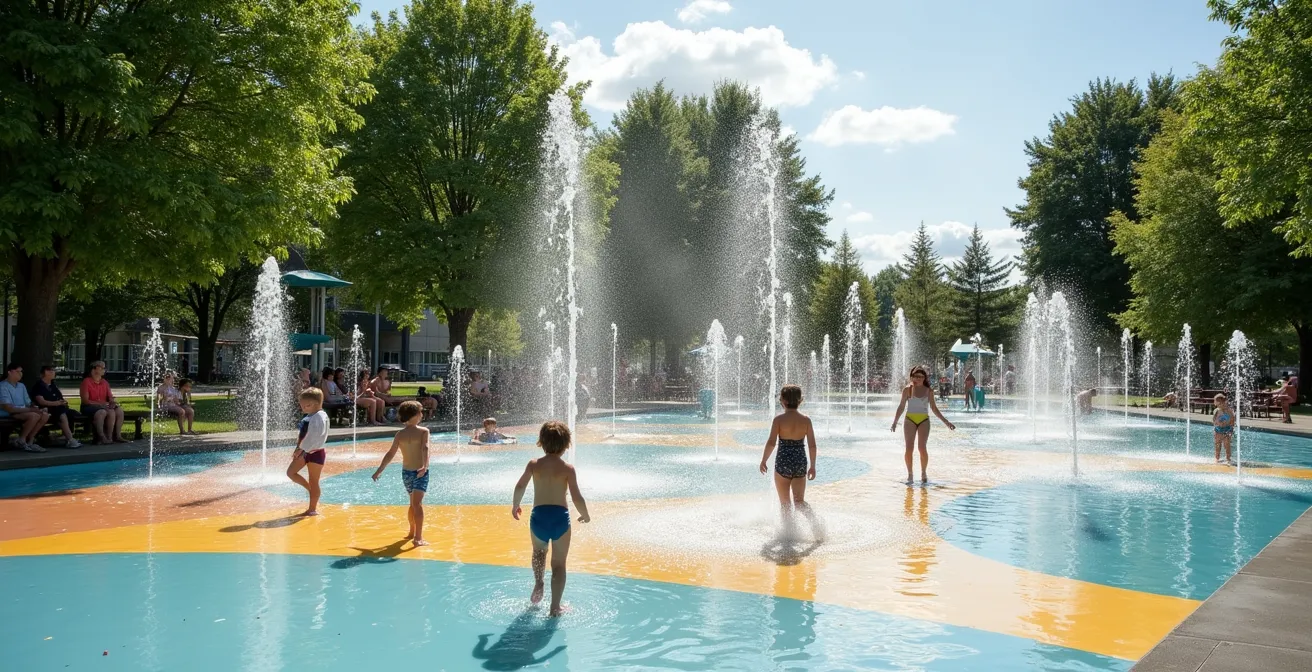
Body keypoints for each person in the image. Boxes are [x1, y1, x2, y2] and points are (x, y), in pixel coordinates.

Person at [511, 421, 591, 617]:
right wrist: (585, 514)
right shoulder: (568, 469)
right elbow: (576, 497)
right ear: (566, 444)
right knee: (559, 564)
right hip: (560, 519)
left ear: (541, 442)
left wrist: (515, 505)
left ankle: (539, 581)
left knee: (538, 553)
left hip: (539, 517)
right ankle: (555, 607)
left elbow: (520, 486)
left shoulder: (534, 464)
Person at [758, 384, 822, 537]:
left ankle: (789, 535)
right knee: (799, 502)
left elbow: (772, 442)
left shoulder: (779, 420)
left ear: (783, 401)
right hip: (800, 462)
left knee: (785, 504)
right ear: (800, 400)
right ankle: (816, 525)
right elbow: (812, 445)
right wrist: (812, 466)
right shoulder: (806, 420)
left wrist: (764, 460)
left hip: (783, 462)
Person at [372, 400, 431, 546]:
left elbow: (390, 454)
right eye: (421, 412)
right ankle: (418, 538)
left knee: (413, 503)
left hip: (406, 472)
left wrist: (379, 470)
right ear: (416, 415)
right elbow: (425, 448)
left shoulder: (400, 434)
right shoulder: (424, 431)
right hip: (419, 471)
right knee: (417, 504)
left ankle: (412, 531)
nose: (422, 414)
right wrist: (425, 466)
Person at [891, 366, 956, 485]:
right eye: (915, 376)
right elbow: (901, 406)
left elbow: (934, 408)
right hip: (909, 420)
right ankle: (910, 474)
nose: (918, 378)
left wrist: (946, 422)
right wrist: (895, 422)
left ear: (924, 378)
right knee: (909, 448)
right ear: (912, 377)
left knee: (922, 448)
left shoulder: (928, 391)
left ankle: (923, 472)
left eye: (920, 376)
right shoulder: (907, 390)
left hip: (924, 421)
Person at [286, 387, 329, 516]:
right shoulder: (313, 415)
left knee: (314, 480)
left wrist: (301, 449)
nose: (303, 408)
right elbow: (304, 435)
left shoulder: (319, 417)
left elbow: (314, 437)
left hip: (315, 453)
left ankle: (312, 508)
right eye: (302, 405)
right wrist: (298, 448)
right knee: (291, 472)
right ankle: (309, 489)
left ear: (316, 404)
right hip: (305, 451)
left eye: (306, 406)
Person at [1, 363, 50, 452]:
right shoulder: (2, 386)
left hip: (23, 411)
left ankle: (30, 441)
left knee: (44, 415)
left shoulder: (21, 386)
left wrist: (36, 408)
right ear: (9, 372)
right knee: (34, 416)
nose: (21, 374)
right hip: (9, 413)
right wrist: (31, 410)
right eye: (18, 371)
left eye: (21, 372)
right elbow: (8, 408)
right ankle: (21, 440)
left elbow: (28, 402)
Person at [33, 365, 81, 449]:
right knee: (61, 414)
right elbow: (41, 401)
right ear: (44, 373)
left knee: (71, 413)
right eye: (50, 370)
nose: (52, 372)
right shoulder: (39, 386)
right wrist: (57, 403)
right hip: (45, 409)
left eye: (53, 370)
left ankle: (66, 437)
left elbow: (59, 398)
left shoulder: (53, 385)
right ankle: (70, 439)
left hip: (58, 408)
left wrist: (63, 402)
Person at [80, 361, 127, 443]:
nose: (104, 369)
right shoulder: (86, 382)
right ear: (94, 369)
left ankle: (116, 436)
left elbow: (110, 396)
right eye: (102, 367)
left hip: (104, 405)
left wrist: (112, 402)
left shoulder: (104, 382)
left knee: (119, 411)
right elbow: (85, 401)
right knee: (104, 412)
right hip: (89, 406)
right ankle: (103, 437)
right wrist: (102, 404)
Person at [1214, 393, 1235, 463]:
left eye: (1215, 401)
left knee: (1227, 445)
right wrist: (1218, 422)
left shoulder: (1229, 411)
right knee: (1217, 445)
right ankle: (1217, 459)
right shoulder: (1217, 411)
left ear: (1220, 402)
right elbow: (1214, 421)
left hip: (1227, 430)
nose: (1214, 403)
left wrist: (1231, 429)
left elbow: (1233, 420)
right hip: (1218, 430)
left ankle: (1228, 459)